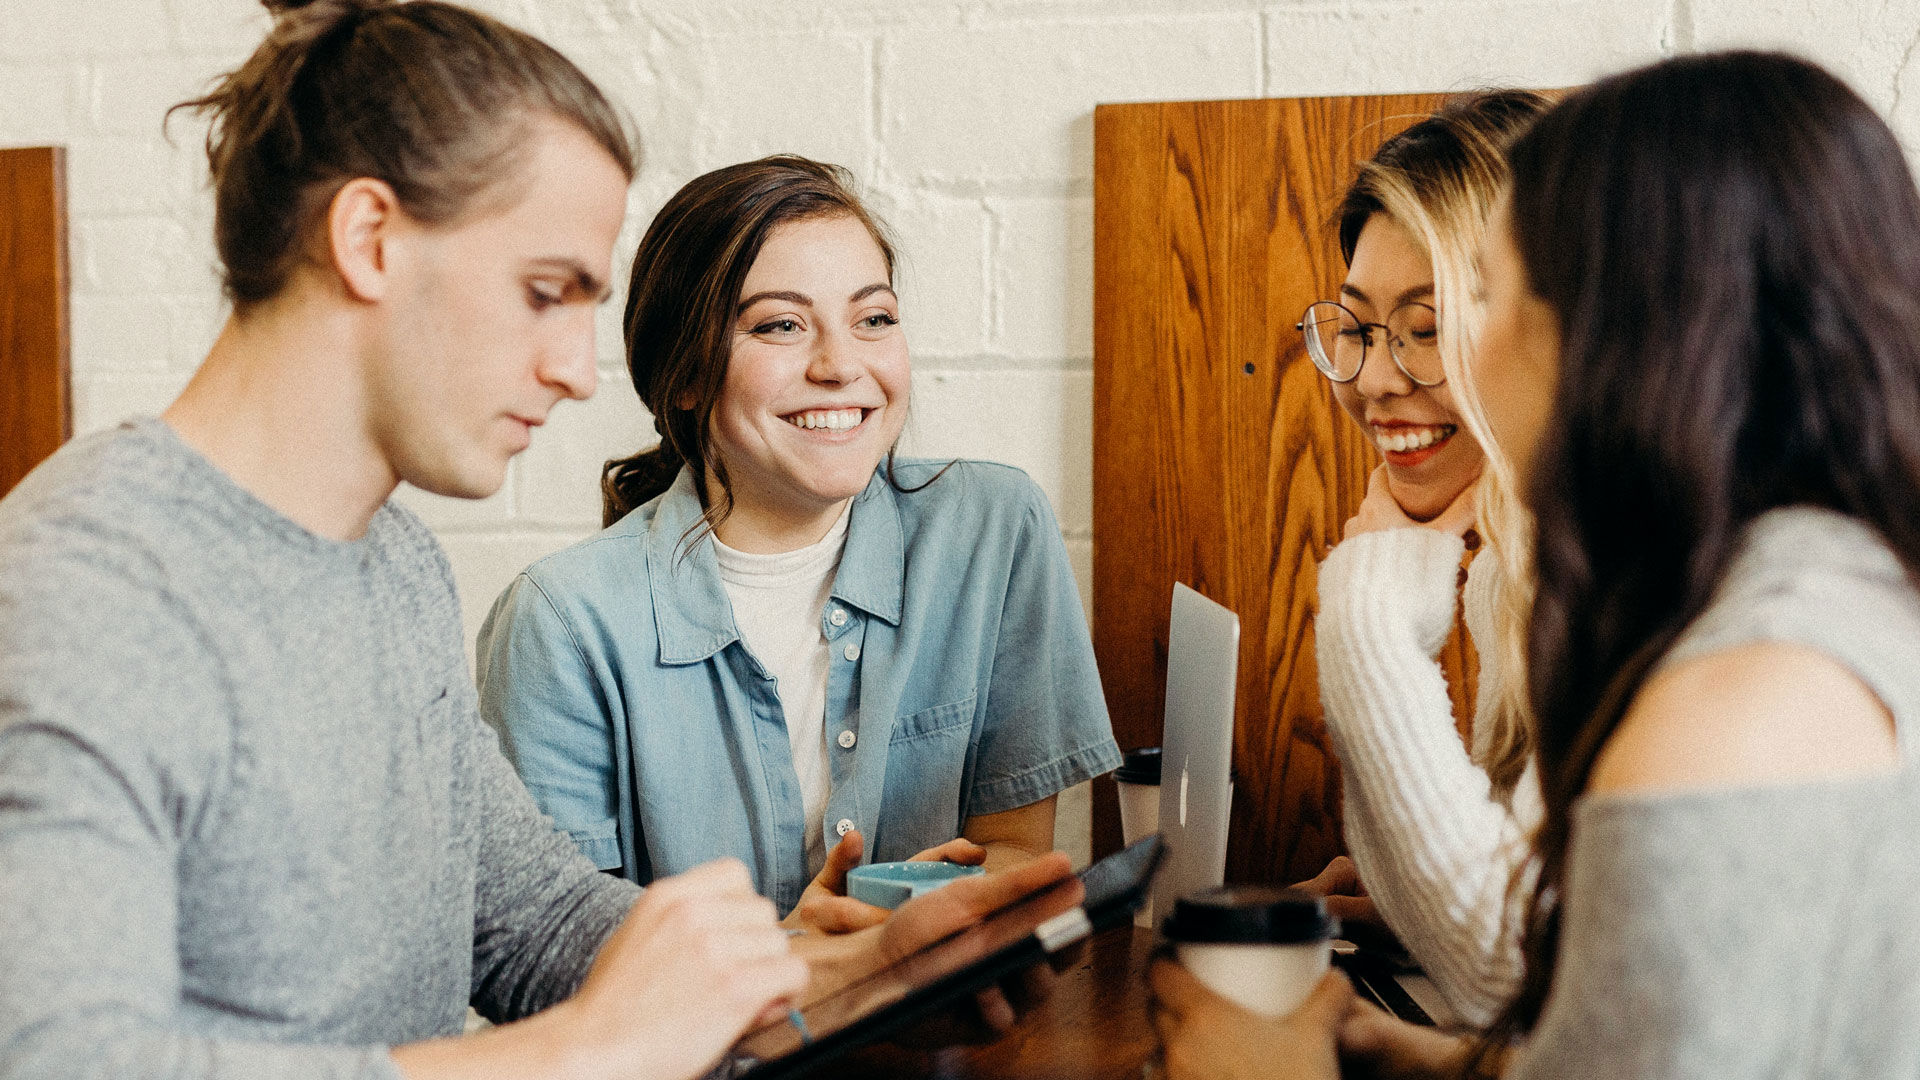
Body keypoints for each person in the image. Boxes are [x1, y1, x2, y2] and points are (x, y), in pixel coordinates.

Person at [0, 4, 1074, 1079]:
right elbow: (56, 1060)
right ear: (369, 239)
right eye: (544, 293)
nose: (575, 369)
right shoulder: (85, 584)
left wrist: (849, 977)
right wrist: (587, 1050)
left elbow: (532, 921)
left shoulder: (394, 566)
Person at [1153, 49, 1920, 1080]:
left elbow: (1530, 978)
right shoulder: (1815, 591)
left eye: (1486, 298)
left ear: (1621, 331)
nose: (1394, 372)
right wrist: (1441, 1066)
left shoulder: (1735, 699)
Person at [475, 154, 1122, 924]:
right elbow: (559, 952)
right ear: (683, 376)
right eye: (781, 325)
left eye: (873, 318)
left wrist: (930, 920)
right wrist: (809, 963)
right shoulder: (560, 622)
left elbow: (1015, 849)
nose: (842, 365)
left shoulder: (992, 530)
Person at [1295, 90, 1551, 1027]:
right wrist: (1410, 898)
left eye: (1428, 326)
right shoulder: (1513, 569)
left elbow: (1509, 973)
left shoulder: (1625, 575)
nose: (1372, 379)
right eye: (1358, 326)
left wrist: (1366, 617)